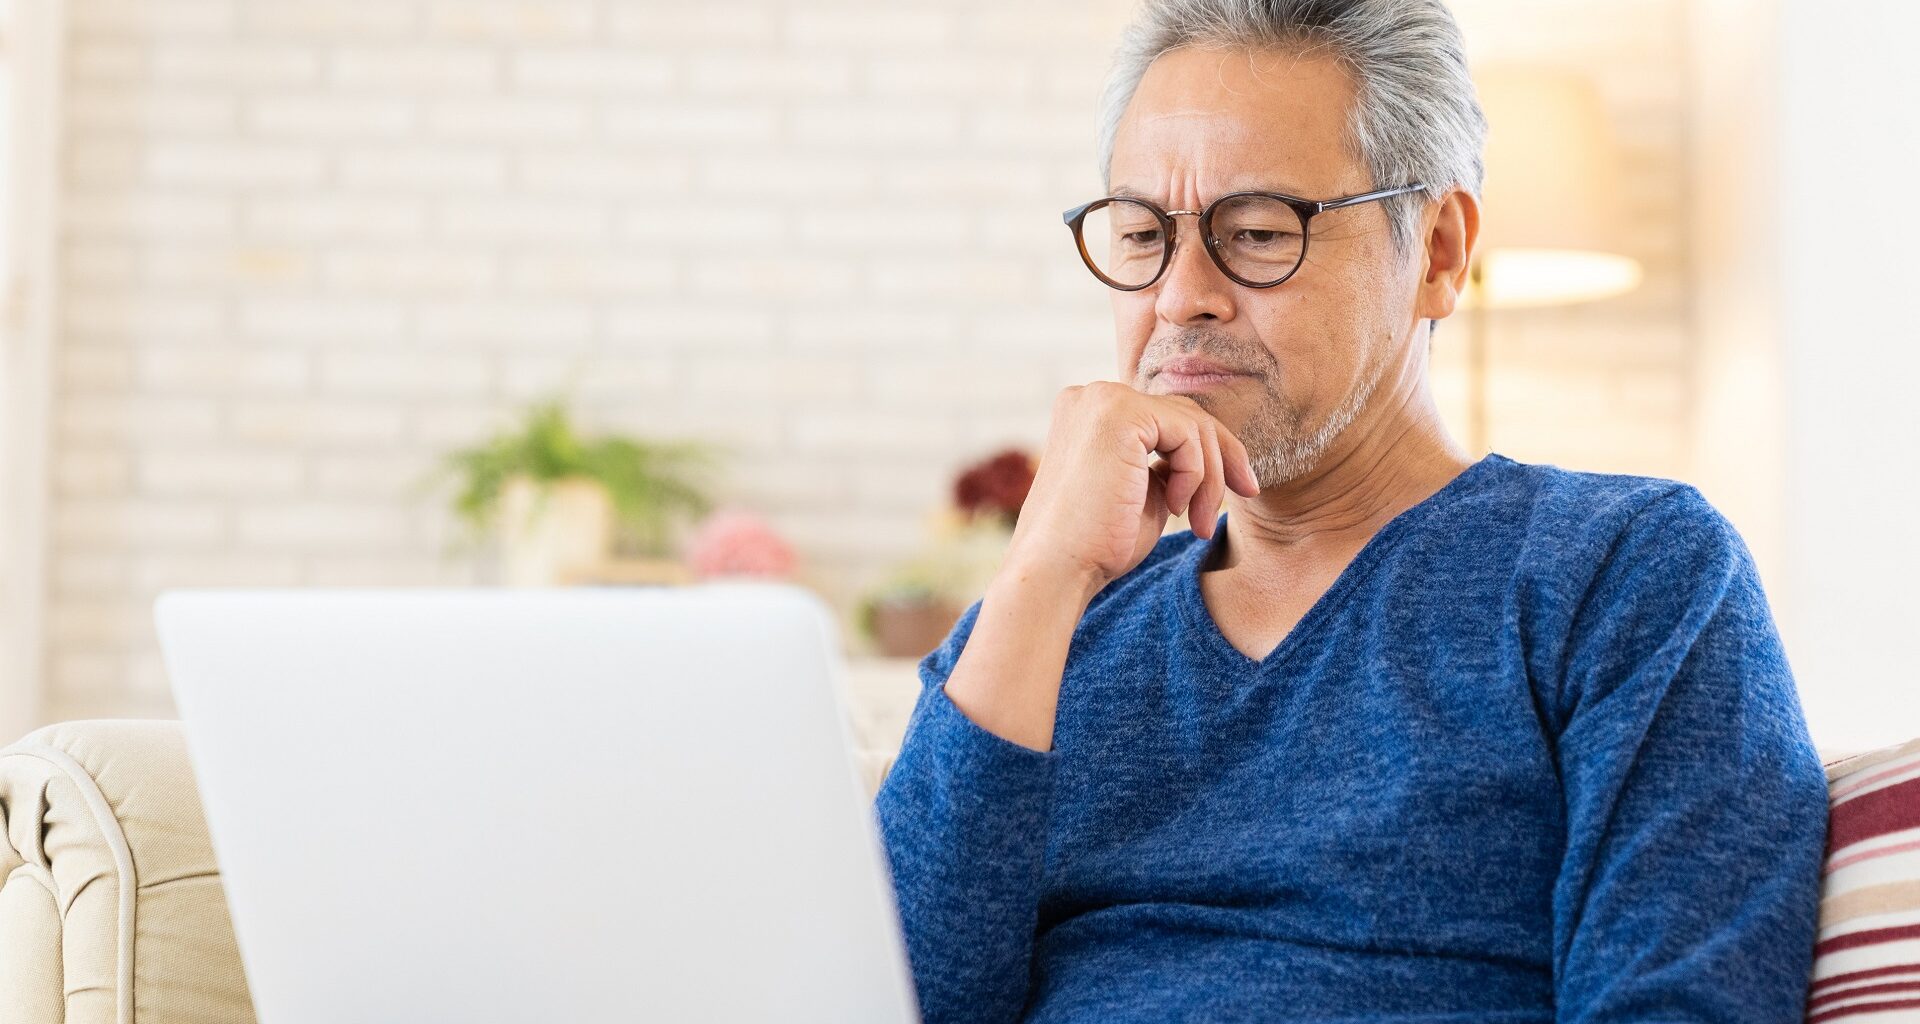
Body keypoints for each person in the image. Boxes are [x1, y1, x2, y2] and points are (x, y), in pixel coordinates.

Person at [870, 1, 1829, 1022]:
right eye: (1144, 234)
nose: (1179, 296)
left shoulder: (1624, 574)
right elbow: (881, 998)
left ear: (1440, 252)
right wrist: (1034, 580)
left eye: (1256, 233)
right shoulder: (1045, 628)